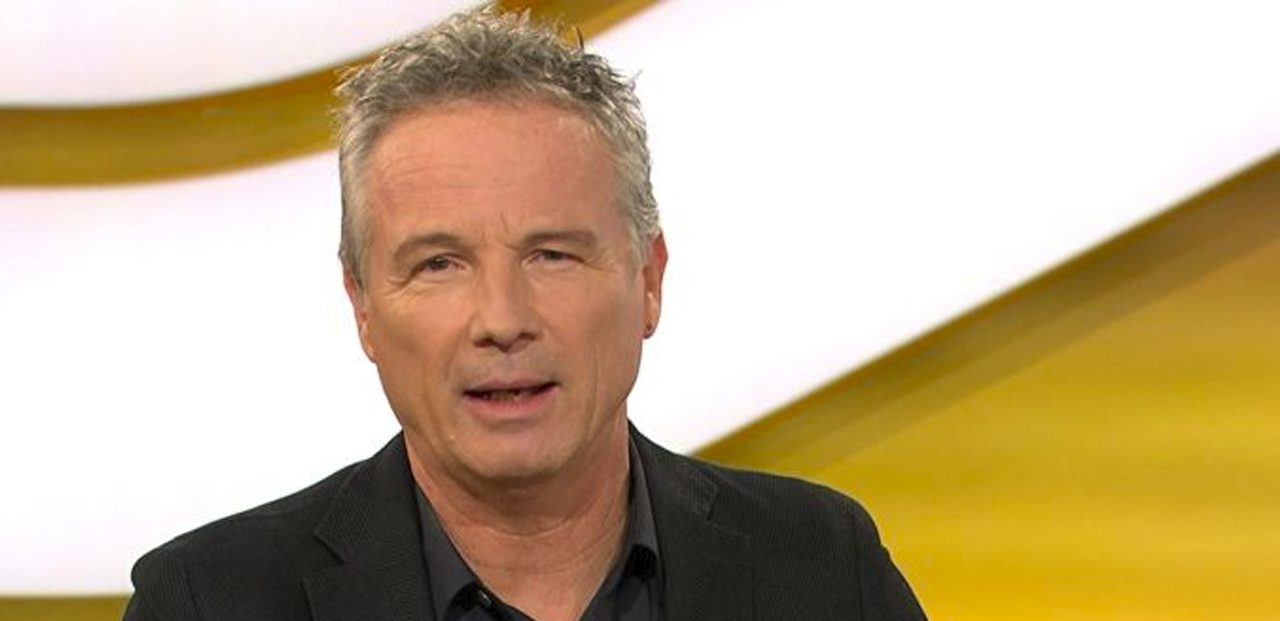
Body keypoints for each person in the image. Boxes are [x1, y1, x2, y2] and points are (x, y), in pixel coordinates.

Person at [123, 8, 927, 621]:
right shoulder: (206, 601)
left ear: (648, 279)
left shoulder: (822, 569)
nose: (501, 319)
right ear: (362, 306)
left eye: (552, 255)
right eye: (438, 264)